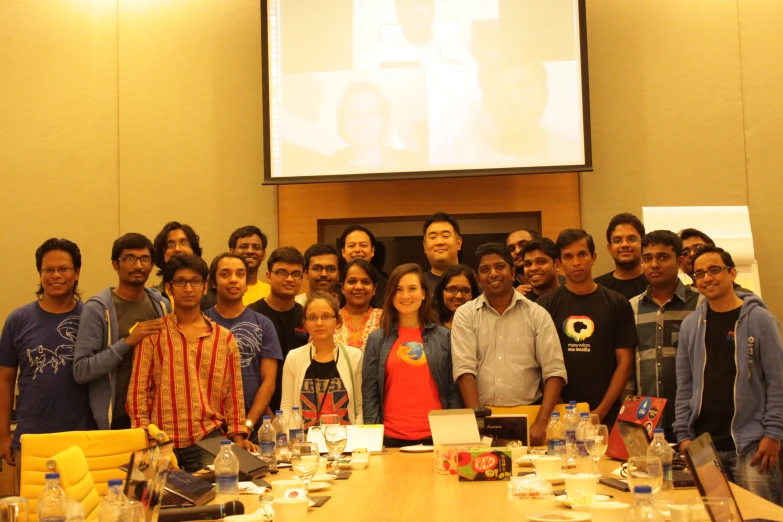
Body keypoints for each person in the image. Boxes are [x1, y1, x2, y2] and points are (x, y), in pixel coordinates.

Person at [674, 246, 783, 505]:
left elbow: (778, 382)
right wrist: (683, 437)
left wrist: (773, 435)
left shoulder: (761, 321)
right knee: (715, 515)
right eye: (699, 274)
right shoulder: (691, 325)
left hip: (754, 445)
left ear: (732, 273)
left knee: (760, 515)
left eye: (714, 270)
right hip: (704, 445)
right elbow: (684, 385)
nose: (707, 278)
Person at [127, 254, 255, 472]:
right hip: (159, 440)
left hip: (207, 437)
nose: (188, 288)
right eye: (180, 281)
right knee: (160, 503)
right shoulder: (153, 334)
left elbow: (234, 395)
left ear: (205, 287)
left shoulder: (224, 339)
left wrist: (238, 435)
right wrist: (144, 438)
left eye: (195, 281)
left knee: (213, 500)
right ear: (169, 288)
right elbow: (138, 392)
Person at [451, 244, 566, 446]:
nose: (493, 273)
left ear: (512, 272)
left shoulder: (537, 314)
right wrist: (479, 423)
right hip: (482, 414)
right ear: (477, 279)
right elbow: (464, 368)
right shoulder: (466, 314)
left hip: (530, 416)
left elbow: (554, 371)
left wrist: (541, 421)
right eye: (485, 269)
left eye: (500, 267)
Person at [0, 239, 96, 481]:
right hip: (32, 440)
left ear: (77, 273)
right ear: (40, 273)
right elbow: (4, 381)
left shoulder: (91, 318)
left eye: (63, 269)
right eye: (48, 270)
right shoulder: (18, 320)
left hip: (82, 440)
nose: (56, 275)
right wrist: (3, 436)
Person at [536, 229, 637, 427]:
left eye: (582, 254)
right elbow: (536, 363)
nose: (576, 262)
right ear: (559, 263)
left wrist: (601, 410)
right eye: (568, 256)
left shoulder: (618, 303)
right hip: (557, 413)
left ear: (593, 257)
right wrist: (561, 407)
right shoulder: (543, 306)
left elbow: (625, 362)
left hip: (606, 412)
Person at [73, 233, 170, 430]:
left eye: (144, 259)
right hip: (115, 417)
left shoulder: (162, 304)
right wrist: (127, 342)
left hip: (154, 417)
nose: (138, 266)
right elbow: (81, 370)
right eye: (129, 259)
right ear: (115, 265)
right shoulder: (98, 309)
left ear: (152, 265)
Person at [363, 264, 463, 447]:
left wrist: (455, 435)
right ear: (391, 295)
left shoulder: (444, 337)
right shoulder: (377, 340)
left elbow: (453, 389)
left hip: (437, 437)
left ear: (424, 293)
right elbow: (370, 395)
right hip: (390, 438)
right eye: (398, 290)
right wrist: (372, 440)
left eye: (412, 289)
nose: (405, 296)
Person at [628, 231, 701, 441]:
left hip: (690, 420)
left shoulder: (700, 305)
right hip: (644, 420)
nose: (654, 264)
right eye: (647, 258)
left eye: (662, 257)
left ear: (679, 261)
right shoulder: (632, 307)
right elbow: (628, 369)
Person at [204, 253, 283, 443]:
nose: (233, 280)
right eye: (225, 274)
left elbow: (268, 382)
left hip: (254, 425)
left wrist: (247, 424)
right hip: (211, 429)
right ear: (213, 282)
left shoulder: (263, 324)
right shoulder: (202, 322)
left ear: (247, 282)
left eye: (240, 274)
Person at [281, 293, 364, 429]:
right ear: (305, 323)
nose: (319, 323)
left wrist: (358, 441)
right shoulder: (294, 357)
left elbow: (360, 405)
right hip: (306, 442)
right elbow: (287, 405)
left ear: (337, 322)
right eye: (313, 318)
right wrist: (292, 440)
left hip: (346, 440)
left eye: (326, 316)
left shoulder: (354, 356)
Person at [249, 247, 310, 412]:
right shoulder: (252, 316)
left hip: (299, 407)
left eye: (296, 274)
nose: (289, 279)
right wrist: (266, 413)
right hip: (259, 409)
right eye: (282, 272)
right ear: (268, 276)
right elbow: (248, 372)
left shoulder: (307, 316)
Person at [356, 0, 474, 69]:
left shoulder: (454, 47)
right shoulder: (380, 53)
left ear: (433, 10)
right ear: (398, 13)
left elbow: (476, 85)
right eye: (408, 6)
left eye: (423, 4)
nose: (417, 11)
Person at [332, 82, 420, 171]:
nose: (363, 122)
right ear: (342, 121)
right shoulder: (330, 165)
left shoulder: (413, 163)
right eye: (353, 113)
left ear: (384, 119)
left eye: (371, 113)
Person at [151, 221, 214, 310]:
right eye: (170, 244)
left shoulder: (212, 296)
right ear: (162, 253)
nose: (177, 249)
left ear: (194, 250)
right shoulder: (153, 298)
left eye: (184, 243)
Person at [594, 213, 648, 299]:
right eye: (617, 240)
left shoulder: (655, 284)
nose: (624, 244)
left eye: (631, 239)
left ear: (643, 244)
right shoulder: (597, 289)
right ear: (609, 248)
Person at [334, 259, 383, 351]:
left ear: (374, 289)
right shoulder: (331, 318)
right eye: (352, 281)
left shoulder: (385, 319)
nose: (359, 287)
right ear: (343, 287)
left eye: (365, 282)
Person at [339, 225, 387, 308]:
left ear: (372, 251)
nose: (357, 250)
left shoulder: (387, 285)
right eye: (351, 245)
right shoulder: (334, 285)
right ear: (343, 252)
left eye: (363, 245)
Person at [228, 226, 271, 306]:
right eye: (244, 246)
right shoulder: (221, 290)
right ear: (231, 252)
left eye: (256, 247)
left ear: (264, 255)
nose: (250, 251)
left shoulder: (271, 293)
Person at [422, 212, 462, 296]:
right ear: (425, 247)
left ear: (458, 243)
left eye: (445, 236)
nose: (439, 242)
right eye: (433, 237)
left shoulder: (475, 280)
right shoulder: (418, 283)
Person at [431, 264, 479, 329]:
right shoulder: (429, 324)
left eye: (465, 290)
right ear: (441, 291)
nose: (459, 296)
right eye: (452, 289)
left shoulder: (481, 324)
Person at [521, 238, 561, 302]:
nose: (533, 268)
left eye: (541, 262)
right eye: (528, 264)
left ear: (557, 265)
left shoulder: (571, 298)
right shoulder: (520, 304)